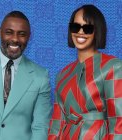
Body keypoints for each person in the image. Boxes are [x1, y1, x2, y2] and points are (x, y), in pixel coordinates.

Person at [48, 4, 122, 140]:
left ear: (97, 31)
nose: (80, 32)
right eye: (75, 27)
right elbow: (56, 124)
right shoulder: (62, 74)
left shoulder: (113, 66)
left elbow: (119, 121)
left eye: (87, 28)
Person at [0, 11, 52, 140]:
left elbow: (41, 127)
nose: (15, 39)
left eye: (22, 34)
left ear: (29, 37)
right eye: (9, 32)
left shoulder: (41, 76)